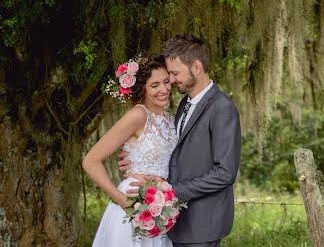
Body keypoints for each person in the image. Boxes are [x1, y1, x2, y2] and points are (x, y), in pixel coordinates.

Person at [121, 34, 241, 247]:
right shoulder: (184, 104)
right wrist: (133, 156)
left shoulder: (222, 108)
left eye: (175, 73)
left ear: (196, 67)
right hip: (176, 222)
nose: (172, 80)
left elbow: (225, 173)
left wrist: (171, 192)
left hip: (203, 224)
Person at [83, 54, 177, 246]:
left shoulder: (170, 118)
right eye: (155, 85)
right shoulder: (138, 115)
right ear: (142, 88)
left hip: (161, 206)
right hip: (133, 202)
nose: (164, 89)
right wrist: (123, 200)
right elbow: (90, 161)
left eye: (166, 82)